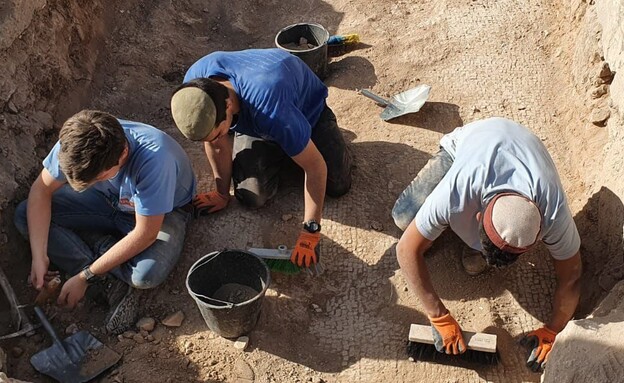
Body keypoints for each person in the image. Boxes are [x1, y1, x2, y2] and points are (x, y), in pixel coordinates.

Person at [392, 117, 582, 371]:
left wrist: (553, 329)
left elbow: (572, 276)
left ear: (538, 237)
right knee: (404, 218)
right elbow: (405, 249)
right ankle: (447, 223)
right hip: (471, 143)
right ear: (478, 215)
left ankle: (469, 238)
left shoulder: (554, 213)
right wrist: (439, 316)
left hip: (525, 146)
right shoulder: (457, 190)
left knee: (469, 260)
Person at [14, 110, 197, 334]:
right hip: (106, 201)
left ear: (122, 155)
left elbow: (146, 233)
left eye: (97, 178)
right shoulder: (77, 140)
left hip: (164, 213)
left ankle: (96, 258)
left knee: (146, 275)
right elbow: (41, 191)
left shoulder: (155, 160)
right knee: (25, 215)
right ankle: (108, 274)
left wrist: (86, 275)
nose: (90, 182)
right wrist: (39, 255)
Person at [170, 48, 352, 267]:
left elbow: (315, 168)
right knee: (250, 196)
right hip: (262, 122)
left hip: (307, 112)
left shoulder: (271, 109)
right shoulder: (194, 88)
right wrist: (221, 193)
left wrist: (310, 230)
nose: (216, 140)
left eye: (219, 133)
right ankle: (290, 148)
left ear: (228, 105)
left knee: (338, 184)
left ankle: (300, 143)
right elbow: (216, 145)